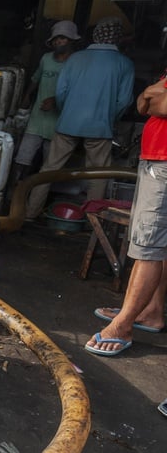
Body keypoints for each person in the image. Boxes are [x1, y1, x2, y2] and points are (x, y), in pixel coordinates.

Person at [85, 77, 167, 357]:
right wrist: (150, 96)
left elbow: (158, 102)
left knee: (148, 246)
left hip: (164, 163)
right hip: (157, 158)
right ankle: (151, 311)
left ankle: (123, 325)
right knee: (158, 244)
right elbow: (145, 103)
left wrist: (152, 97)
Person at [24, 17, 135, 220]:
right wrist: (109, 118)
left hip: (68, 123)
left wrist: (68, 111)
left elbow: (61, 92)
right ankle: (92, 221)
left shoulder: (75, 58)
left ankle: (29, 213)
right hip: (100, 127)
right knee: (98, 176)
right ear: (117, 39)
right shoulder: (124, 64)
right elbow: (124, 101)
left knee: (48, 169)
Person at [12, 20, 81, 184]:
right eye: (56, 39)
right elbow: (35, 79)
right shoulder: (46, 59)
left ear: (71, 41)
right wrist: (26, 97)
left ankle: (36, 199)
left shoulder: (77, 63)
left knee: (48, 168)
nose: (58, 42)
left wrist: (56, 101)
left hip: (59, 123)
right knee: (22, 159)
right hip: (37, 118)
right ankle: (13, 194)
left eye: (63, 38)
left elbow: (78, 92)